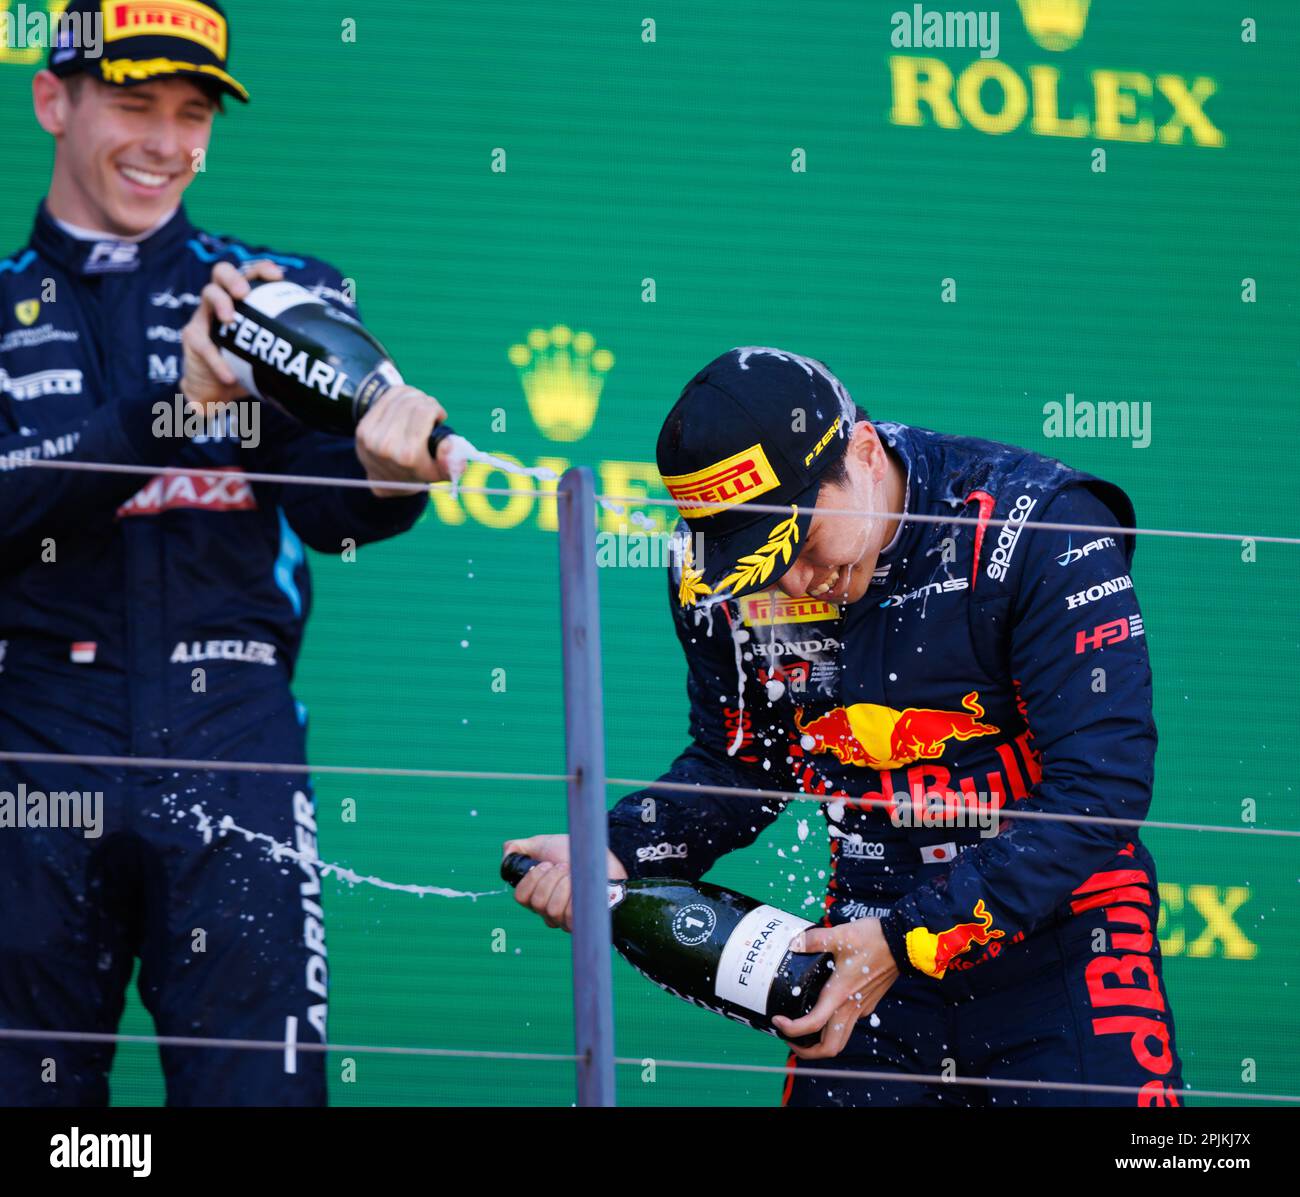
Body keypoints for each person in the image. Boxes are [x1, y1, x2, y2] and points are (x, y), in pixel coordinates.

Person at [505, 346, 1183, 1107]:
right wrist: (615, 846)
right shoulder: (713, 582)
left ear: (862, 451)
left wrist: (904, 940)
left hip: (1063, 943)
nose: (793, 580)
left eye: (798, 541)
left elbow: (1102, 788)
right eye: (757, 563)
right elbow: (745, 764)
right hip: (861, 950)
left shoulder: (1041, 525)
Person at [0, 0, 454, 1106]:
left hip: (233, 738)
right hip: (33, 749)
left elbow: (334, 514)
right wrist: (178, 406)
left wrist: (392, 470)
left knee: (259, 1096)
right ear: (52, 99)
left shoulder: (272, 294)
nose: (165, 143)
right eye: (134, 104)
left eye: (192, 113)